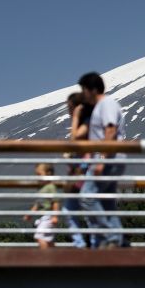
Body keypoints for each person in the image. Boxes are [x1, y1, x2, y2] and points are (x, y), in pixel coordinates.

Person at [78, 72, 127, 249]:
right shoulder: (101, 106)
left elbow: (110, 130)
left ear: (91, 89)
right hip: (110, 159)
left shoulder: (106, 104)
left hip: (108, 159)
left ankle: (113, 236)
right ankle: (120, 244)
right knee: (107, 204)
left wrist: (101, 160)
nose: (83, 95)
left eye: (83, 90)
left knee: (87, 197)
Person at [61, 92, 92, 249]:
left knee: (88, 210)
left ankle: (94, 245)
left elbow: (75, 141)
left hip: (84, 172)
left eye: (70, 108)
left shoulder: (86, 123)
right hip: (76, 173)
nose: (68, 110)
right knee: (69, 208)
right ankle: (80, 244)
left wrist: (75, 119)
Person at [24, 163, 59, 249]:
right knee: (48, 240)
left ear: (49, 174)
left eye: (39, 174)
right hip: (43, 217)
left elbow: (55, 202)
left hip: (48, 217)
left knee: (39, 237)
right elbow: (37, 204)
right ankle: (55, 258)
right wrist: (29, 215)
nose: (37, 177)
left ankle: (45, 258)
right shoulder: (42, 188)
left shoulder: (50, 187)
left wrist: (55, 216)